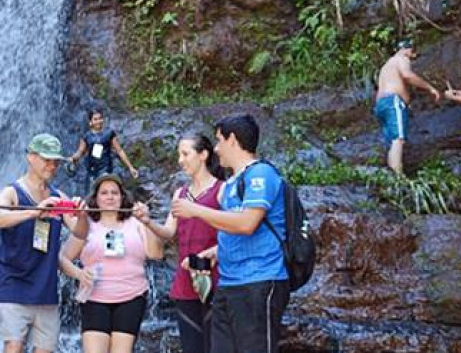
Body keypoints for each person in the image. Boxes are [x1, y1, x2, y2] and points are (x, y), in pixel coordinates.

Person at [171, 114, 289, 353]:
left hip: (258, 280)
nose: (216, 148)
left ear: (232, 140)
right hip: (229, 282)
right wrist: (216, 251)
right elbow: (236, 228)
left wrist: (196, 210)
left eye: (219, 141)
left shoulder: (260, 174)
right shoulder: (234, 182)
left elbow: (247, 223)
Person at [0, 133, 88, 353]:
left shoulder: (59, 196)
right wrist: (34, 212)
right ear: (31, 157)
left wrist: (82, 215)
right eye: (46, 159)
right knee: (14, 346)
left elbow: (80, 232)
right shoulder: (12, 192)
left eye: (56, 161)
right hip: (12, 285)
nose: (52, 165)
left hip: (45, 289)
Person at [133, 134, 225, 353]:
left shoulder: (223, 190)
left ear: (203, 155)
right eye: (179, 155)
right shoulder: (180, 194)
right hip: (186, 280)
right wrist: (147, 221)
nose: (180, 160)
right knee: (191, 346)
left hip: (217, 278)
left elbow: (234, 232)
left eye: (185, 154)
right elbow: (168, 232)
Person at [59, 174, 162, 353]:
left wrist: (148, 221)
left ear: (122, 197)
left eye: (114, 193)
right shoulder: (85, 224)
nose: (110, 196)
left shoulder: (137, 222)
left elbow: (156, 253)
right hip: (94, 297)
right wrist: (79, 274)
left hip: (131, 297)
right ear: (96, 198)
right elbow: (63, 258)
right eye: (104, 193)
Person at [374, 39, 441, 175]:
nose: (412, 55)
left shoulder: (387, 65)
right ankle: (398, 177)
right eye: (412, 51)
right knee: (399, 139)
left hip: (381, 104)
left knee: (392, 142)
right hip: (393, 102)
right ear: (406, 49)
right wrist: (430, 88)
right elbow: (407, 75)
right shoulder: (402, 58)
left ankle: (391, 175)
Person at [68, 109, 138, 193]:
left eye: (100, 118)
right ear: (90, 122)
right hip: (91, 169)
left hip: (106, 168)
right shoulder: (86, 136)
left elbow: (119, 151)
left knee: (104, 189)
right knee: (91, 192)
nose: (98, 121)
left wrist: (130, 167)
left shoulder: (109, 133)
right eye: (95, 119)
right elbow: (80, 152)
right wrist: (73, 158)